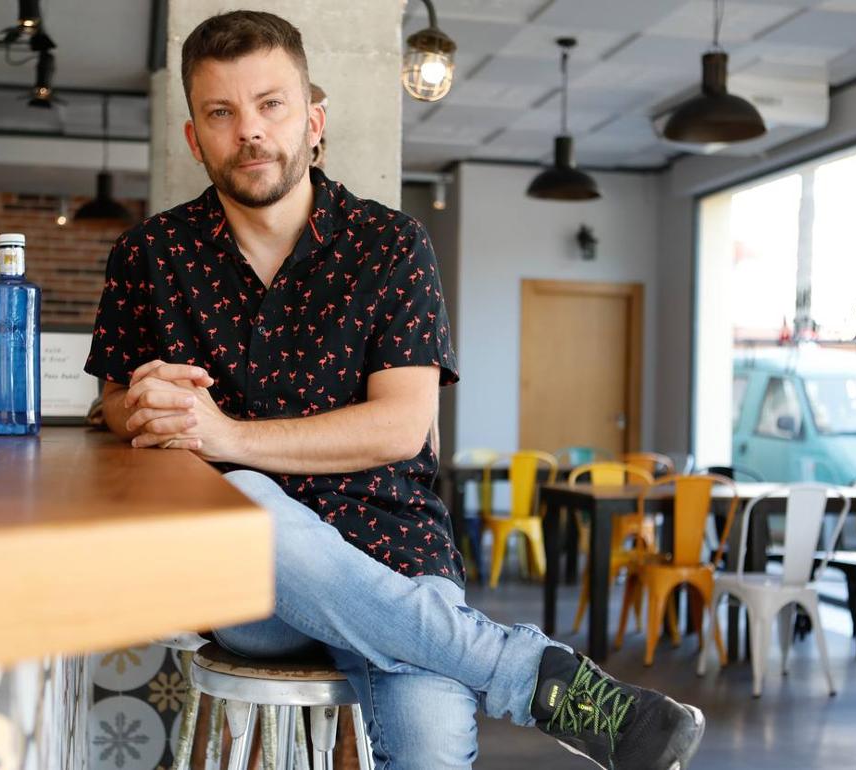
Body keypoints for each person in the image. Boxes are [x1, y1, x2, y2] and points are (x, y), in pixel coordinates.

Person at [84, 10, 704, 769]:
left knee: (430, 746)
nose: (249, 131)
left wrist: (224, 436)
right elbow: (113, 398)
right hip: (250, 587)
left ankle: (501, 668)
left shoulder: (391, 245)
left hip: (397, 551)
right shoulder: (151, 254)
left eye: (271, 104)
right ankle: (523, 674)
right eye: (222, 112)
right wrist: (137, 403)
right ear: (194, 137)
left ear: (313, 119)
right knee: (246, 502)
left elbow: (402, 427)